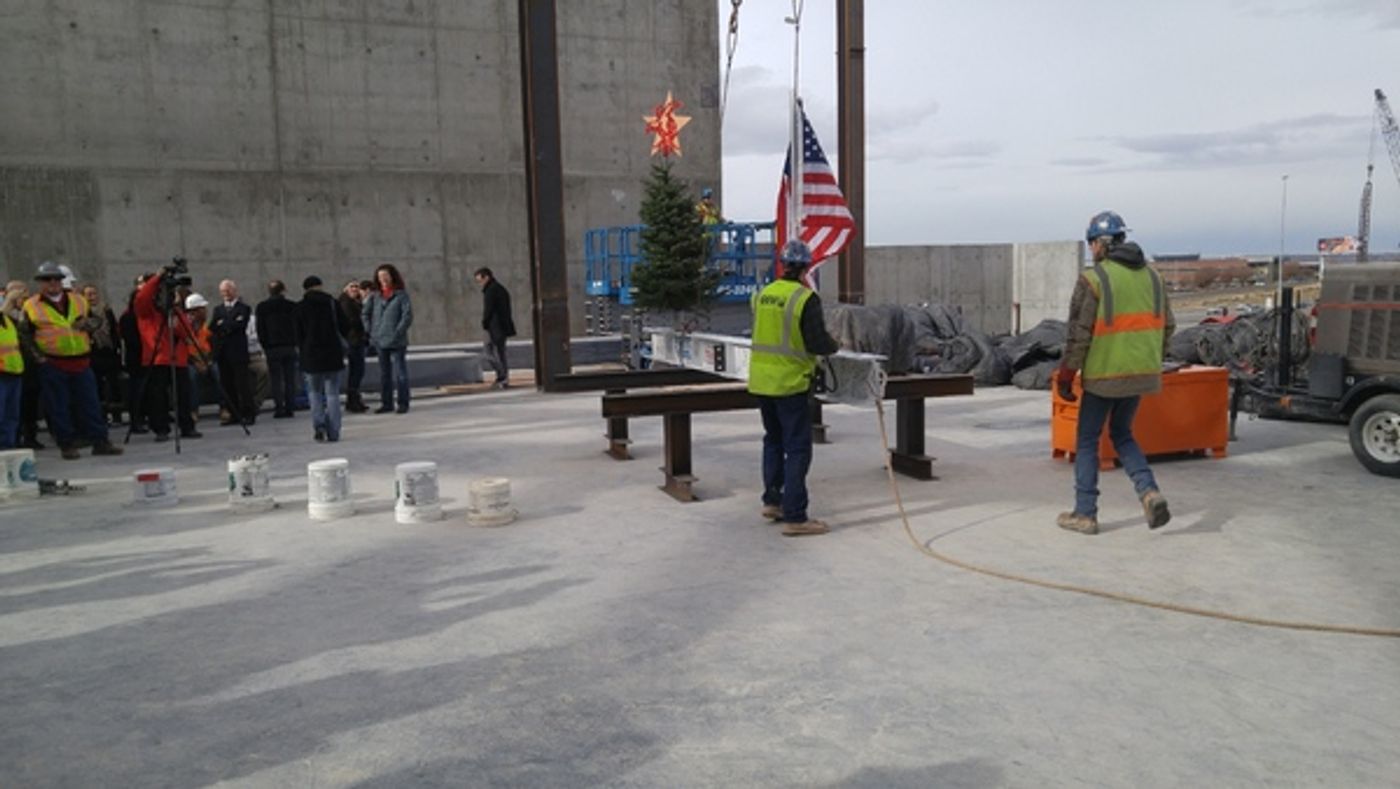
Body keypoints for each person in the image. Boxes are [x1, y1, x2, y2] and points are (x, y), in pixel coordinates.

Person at [1055, 211, 1177, 535]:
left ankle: (1085, 513)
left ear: (1100, 244)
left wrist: (1067, 376)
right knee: (1122, 434)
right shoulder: (1154, 278)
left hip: (1104, 377)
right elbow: (1169, 326)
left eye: (1091, 243)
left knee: (1086, 440)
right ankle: (1149, 492)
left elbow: (1078, 335)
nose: (1090, 250)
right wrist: (1150, 359)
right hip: (1141, 375)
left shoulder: (1094, 279)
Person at [747, 240, 840, 537]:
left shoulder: (762, 295)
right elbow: (817, 343)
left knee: (773, 441)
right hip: (790, 383)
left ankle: (772, 501)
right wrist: (835, 345)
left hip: (761, 381)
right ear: (806, 267)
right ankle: (796, 516)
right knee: (798, 447)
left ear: (783, 264)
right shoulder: (804, 299)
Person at [17, 261, 123, 459]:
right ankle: (67, 444)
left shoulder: (78, 300)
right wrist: (39, 358)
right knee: (59, 406)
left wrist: (87, 324)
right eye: (47, 279)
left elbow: (96, 320)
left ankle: (100, 441)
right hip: (53, 362)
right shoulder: (31, 305)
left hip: (81, 361)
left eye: (56, 279)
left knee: (90, 403)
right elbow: (25, 335)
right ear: (40, 283)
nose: (52, 283)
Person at [134, 269, 201, 442]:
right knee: (158, 396)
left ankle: (187, 426)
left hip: (177, 357)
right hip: (157, 357)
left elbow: (185, 332)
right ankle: (161, 428)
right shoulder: (146, 310)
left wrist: (176, 311)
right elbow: (143, 297)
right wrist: (157, 278)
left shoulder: (174, 309)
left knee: (183, 394)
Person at [295, 276, 346, 442]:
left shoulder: (300, 307)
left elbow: (297, 334)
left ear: (305, 289)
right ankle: (334, 431)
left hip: (310, 355)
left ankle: (319, 426)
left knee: (314, 393)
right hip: (332, 354)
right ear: (320, 286)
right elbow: (344, 325)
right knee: (332, 394)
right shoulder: (332, 303)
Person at [362, 263, 413, 413]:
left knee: (400, 373)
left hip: (397, 340)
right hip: (379, 340)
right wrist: (370, 330)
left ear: (392, 277)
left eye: (385, 276)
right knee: (385, 374)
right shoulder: (375, 296)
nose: (383, 279)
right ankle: (387, 403)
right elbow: (365, 313)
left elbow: (407, 315)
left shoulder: (401, 294)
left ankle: (403, 403)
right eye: (380, 277)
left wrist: (398, 331)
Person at [210, 279, 255, 425]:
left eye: (228, 290)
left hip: (238, 352)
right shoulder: (218, 310)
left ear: (234, 291)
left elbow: (240, 324)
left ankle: (248, 413)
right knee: (227, 385)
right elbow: (213, 327)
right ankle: (233, 413)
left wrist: (224, 324)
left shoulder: (243, 308)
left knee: (243, 385)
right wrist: (228, 324)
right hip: (223, 353)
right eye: (223, 291)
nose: (226, 293)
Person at [5, 281, 45, 449]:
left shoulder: (30, 312)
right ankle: (12, 438)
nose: (22, 295)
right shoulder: (6, 316)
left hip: (27, 365)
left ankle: (30, 435)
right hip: (8, 368)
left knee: (29, 403)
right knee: (11, 408)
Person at [255, 279, 299, 419]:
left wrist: (265, 344)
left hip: (272, 347)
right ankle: (290, 407)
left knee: (276, 379)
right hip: (289, 346)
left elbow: (260, 329)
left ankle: (279, 407)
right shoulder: (291, 306)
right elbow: (297, 326)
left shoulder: (262, 307)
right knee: (290, 378)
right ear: (283, 290)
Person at [80, 285, 123, 426]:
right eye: (88, 294)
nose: (92, 297)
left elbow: (114, 331)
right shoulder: (83, 313)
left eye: (94, 294)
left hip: (108, 351)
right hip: (94, 352)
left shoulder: (106, 310)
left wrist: (117, 349)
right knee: (97, 386)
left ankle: (117, 415)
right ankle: (101, 415)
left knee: (114, 384)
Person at [474, 267, 516, 389]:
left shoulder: (491, 291)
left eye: (480, 280)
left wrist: (485, 323)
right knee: (500, 353)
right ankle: (503, 379)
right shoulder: (500, 289)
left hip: (494, 327)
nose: (479, 284)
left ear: (486, 277)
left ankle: (502, 375)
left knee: (488, 352)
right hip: (502, 326)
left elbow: (489, 310)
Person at [119, 279, 149, 434]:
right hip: (136, 358)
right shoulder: (128, 317)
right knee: (137, 390)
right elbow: (130, 340)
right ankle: (136, 419)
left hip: (149, 357)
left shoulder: (147, 317)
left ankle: (148, 416)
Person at [184, 293, 216, 424]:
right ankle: (193, 410)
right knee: (191, 377)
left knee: (218, 372)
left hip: (206, 359)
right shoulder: (185, 326)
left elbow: (212, 344)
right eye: (202, 308)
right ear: (195, 311)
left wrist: (208, 361)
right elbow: (184, 348)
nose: (205, 311)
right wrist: (197, 363)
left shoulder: (205, 326)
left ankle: (225, 407)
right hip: (191, 361)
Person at [338, 279, 369, 413]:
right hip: (353, 341)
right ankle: (353, 400)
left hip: (357, 340)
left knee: (358, 372)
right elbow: (354, 321)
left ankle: (355, 399)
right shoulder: (346, 303)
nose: (355, 289)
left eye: (357, 287)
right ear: (346, 289)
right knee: (356, 372)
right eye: (352, 286)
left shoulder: (355, 302)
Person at [0, 296, 22, 449]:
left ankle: (8, 446)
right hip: (1, 374)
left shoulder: (8, 322)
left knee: (11, 415)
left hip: (13, 372)